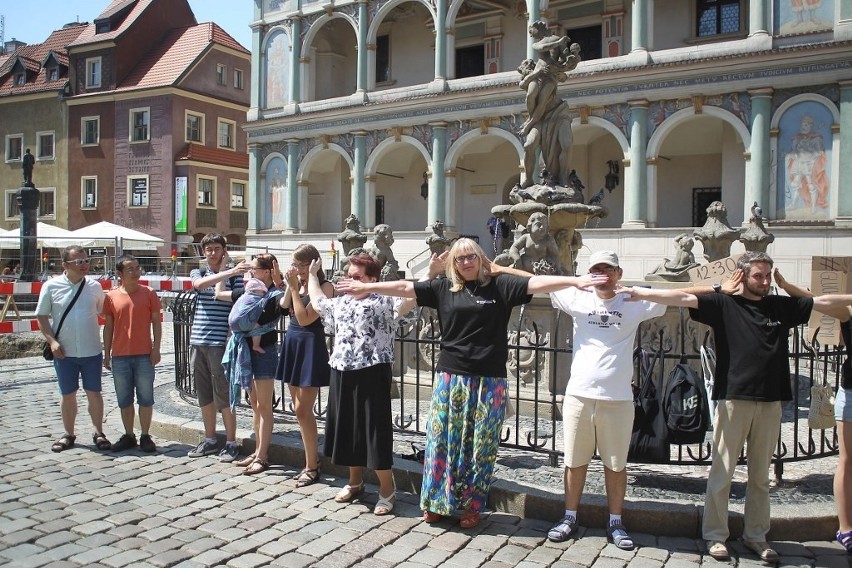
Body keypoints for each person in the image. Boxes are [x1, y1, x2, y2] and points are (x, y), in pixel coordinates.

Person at [336, 237, 609, 528]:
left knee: (480, 446)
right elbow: (404, 288)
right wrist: (366, 287)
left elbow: (535, 281)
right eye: (459, 258)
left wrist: (573, 280)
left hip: (489, 381)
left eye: (471, 257)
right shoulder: (443, 288)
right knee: (442, 443)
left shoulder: (500, 286)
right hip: (450, 376)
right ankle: (437, 502)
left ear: (481, 259)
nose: (465, 263)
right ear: (453, 264)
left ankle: (470, 506)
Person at [621, 251, 852, 562]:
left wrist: (786, 283)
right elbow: (681, 295)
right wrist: (718, 288)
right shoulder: (723, 304)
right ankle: (715, 535)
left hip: (771, 401)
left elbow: (817, 301)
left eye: (769, 276)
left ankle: (757, 535)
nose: (766, 282)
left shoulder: (778, 305)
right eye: (759, 276)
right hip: (734, 398)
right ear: (742, 276)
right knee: (723, 471)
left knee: (760, 476)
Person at [545, 250, 667, 550]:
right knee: (574, 462)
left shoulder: (634, 301)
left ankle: (615, 521)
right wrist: (577, 281)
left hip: (618, 398)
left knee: (616, 465)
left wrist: (640, 290)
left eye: (608, 269)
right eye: (596, 269)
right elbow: (538, 282)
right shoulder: (577, 297)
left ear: (619, 273)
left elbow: (675, 297)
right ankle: (569, 516)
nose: (603, 274)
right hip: (579, 395)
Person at [308, 252, 433, 515]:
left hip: (372, 372)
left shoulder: (383, 302)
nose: (350, 281)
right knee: (347, 429)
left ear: (372, 279)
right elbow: (318, 302)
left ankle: (387, 489)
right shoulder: (340, 302)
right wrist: (311, 275)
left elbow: (411, 295)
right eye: (348, 276)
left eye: (357, 277)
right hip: (342, 370)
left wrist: (430, 272)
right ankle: (355, 482)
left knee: (374, 432)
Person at [773, 269, 852, 553]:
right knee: (847, 461)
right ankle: (846, 528)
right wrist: (786, 285)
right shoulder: (847, 311)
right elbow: (815, 300)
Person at [36, 245, 112, 453]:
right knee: (68, 394)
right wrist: (52, 341)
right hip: (64, 351)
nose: (84, 265)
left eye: (86, 261)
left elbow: (106, 314)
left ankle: (99, 432)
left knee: (94, 393)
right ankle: (68, 433)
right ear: (65, 265)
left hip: (91, 350)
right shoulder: (51, 287)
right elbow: (42, 316)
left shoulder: (94, 287)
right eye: (78, 262)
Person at [216, 253, 285, 475]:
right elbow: (219, 294)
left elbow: (285, 303)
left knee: (264, 406)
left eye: (254, 268)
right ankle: (257, 451)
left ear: (267, 271)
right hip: (245, 351)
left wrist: (280, 281)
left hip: (264, 352)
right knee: (255, 405)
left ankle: (263, 456)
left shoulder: (274, 295)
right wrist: (226, 270)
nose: (250, 271)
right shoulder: (248, 291)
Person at [186, 233, 248, 462]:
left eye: (216, 249)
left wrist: (230, 273)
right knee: (204, 394)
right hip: (198, 341)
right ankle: (211, 439)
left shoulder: (235, 279)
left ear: (224, 250)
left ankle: (231, 441)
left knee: (224, 393)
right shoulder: (200, 272)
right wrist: (229, 270)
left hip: (219, 342)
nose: (212, 253)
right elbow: (199, 285)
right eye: (209, 249)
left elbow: (234, 301)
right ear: (204, 252)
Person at [277, 244, 334, 486]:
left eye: (302, 265)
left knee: (303, 409)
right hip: (292, 341)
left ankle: (312, 464)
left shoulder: (325, 287)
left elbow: (305, 317)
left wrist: (294, 286)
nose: (298, 269)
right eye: (295, 264)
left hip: (311, 343)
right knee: (298, 409)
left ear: (314, 263)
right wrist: (291, 286)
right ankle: (309, 460)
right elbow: (283, 306)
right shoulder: (297, 283)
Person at [103, 254, 162, 453]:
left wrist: (156, 349)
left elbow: (156, 323)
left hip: (144, 355)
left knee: (146, 397)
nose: (136, 272)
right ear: (120, 273)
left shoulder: (149, 293)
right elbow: (108, 327)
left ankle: (145, 435)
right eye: (130, 269)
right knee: (124, 399)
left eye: (137, 268)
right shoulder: (111, 297)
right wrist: (106, 353)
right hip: (120, 356)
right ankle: (129, 434)